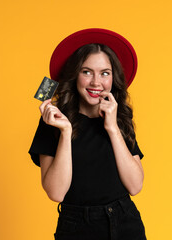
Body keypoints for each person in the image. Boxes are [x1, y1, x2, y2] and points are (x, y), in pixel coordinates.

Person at [29, 28, 146, 240]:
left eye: (104, 73)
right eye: (86, 72)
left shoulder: (119, 118)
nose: (95, 82)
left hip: (125, 222)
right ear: (75, 75)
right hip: (77, 227)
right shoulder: (53, 122)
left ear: (113, 78)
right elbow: (56, 193)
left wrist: (112, 128)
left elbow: (135, 185)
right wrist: (65, 132)